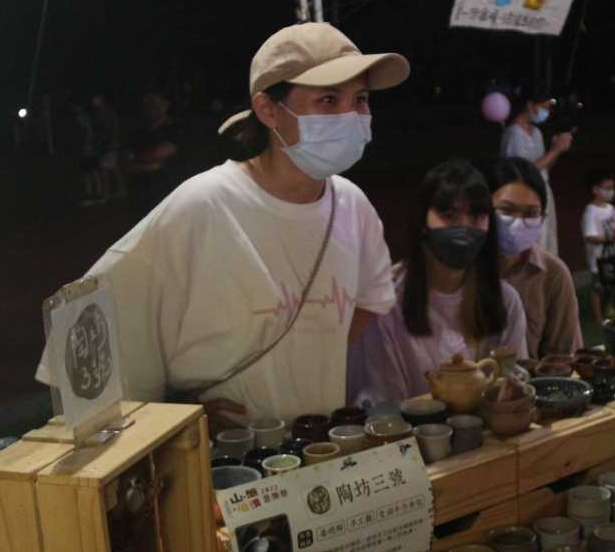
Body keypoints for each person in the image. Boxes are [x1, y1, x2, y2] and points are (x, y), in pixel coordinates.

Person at [37, 23, 409, 428]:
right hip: (225, 466)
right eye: (328, 99)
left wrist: (317, 352)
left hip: (317, 449)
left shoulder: (352, 205)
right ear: (268, 110)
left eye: (361, 99)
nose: (351, 116)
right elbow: (86, 334)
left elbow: (372, 297)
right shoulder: (204, 204)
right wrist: (173, 417)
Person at [347, 159, 527, 408]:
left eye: (476, 216)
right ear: (423, 221)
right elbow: (382, 407)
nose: (464, 228)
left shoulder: (506, 300)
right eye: (449, 215)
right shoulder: (385, 303)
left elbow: (512, 389)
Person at [488, 157, 583, 358]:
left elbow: (562, 359)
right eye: (506, 210)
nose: (518, 223)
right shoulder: (460, 272)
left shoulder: (553, 274)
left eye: (530, 213)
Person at [499, 92, 572, 256]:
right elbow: (523, 170)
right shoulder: (514, 134)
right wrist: (555, 150)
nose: (546, 112)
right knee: (531, 242)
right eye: (544, 107)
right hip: (525, 196)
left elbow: (544, 168)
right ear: (530, 105)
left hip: (543, 192)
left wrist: (555, 152)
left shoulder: (537, 133)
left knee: (546, 238)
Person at [582, 169, 615, 324]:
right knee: (598, 287)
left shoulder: (610, 208)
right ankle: (598, 316)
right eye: (607, 188)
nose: (610, 191)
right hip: (598, 257)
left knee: (611, 283)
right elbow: (590, 236)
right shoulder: (591, 211)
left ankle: (609, 307)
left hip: (612, 253)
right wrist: (609, 239)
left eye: (612, 187)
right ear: (595, 190)